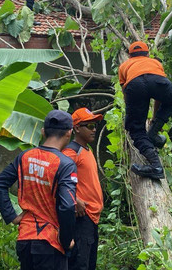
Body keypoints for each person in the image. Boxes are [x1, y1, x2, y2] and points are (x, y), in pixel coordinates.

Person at [0, 110, 77, 270]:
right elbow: (68, 206)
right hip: (50, 242)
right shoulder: (65, 164)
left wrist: (11, 216)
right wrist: (66, 240)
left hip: (25, 239)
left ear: (43, 131)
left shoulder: (25, 156)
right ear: (69, 133)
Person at [118, 41, 172, 180]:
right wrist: (154, 120)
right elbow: (160, 97)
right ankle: (152, 134)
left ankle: (156, 165)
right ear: (147, 53)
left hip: (134, 85)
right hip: (158, 81)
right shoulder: (155, 63)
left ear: (129, 56)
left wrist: (134, 119)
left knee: (136, 130)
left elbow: (127, 95)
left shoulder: (123, 66)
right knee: (171, 99)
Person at [62, 108, 104, 270]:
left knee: (89, 263)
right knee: (80, 264)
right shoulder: (71, 152)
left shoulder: (87, 150)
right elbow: (56, 178)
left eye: (96, 125)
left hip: (92, 217)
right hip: (81, 217)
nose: (94, 129)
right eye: (90, 126)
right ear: (77, 128)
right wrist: (74, 199)